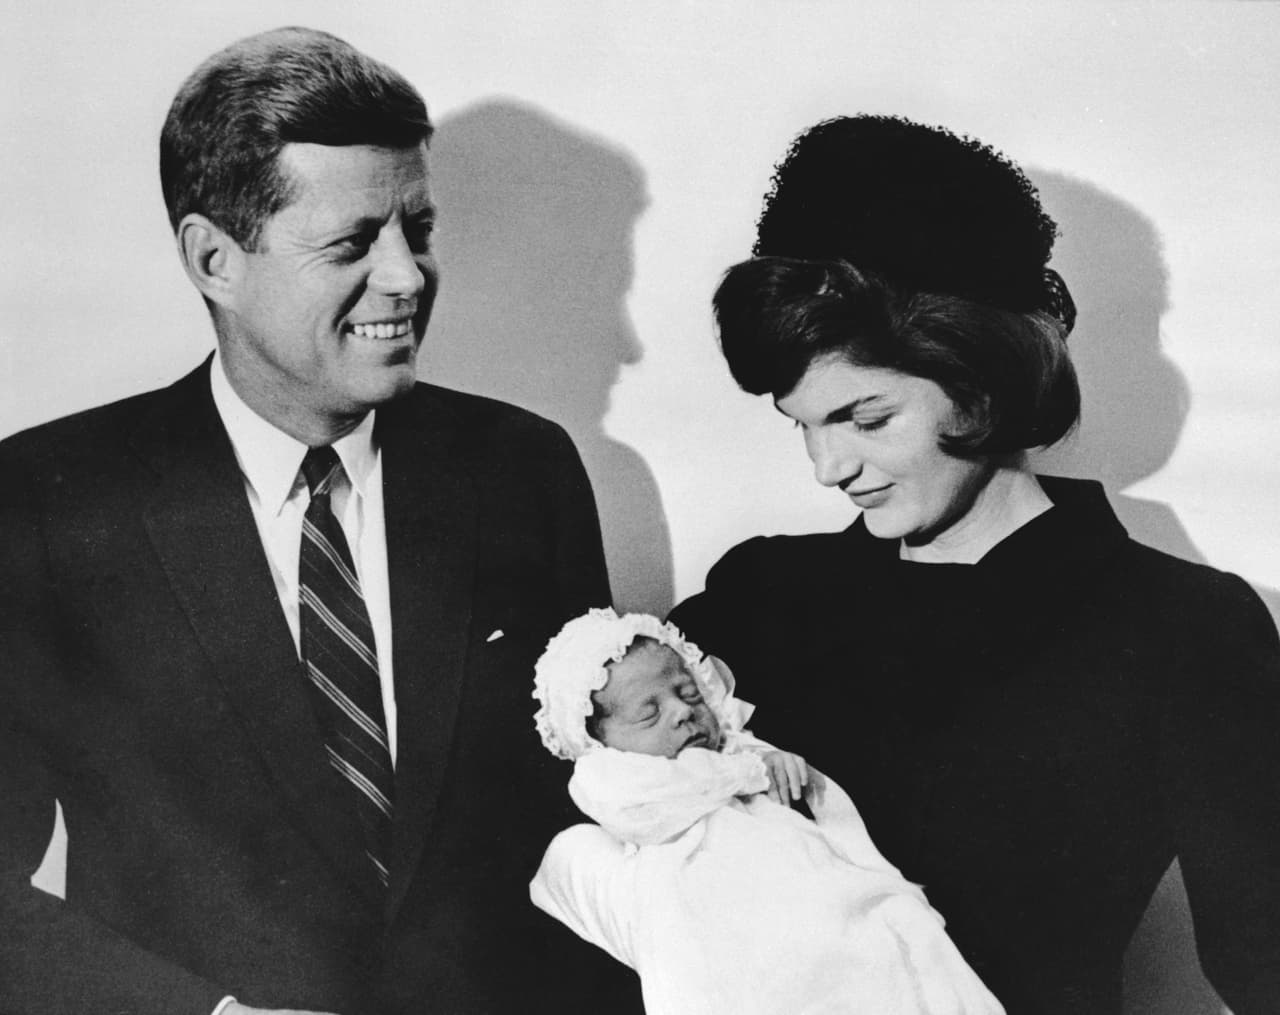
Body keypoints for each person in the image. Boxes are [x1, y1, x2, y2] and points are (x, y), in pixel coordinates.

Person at [0, 26, 641, 1015]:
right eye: (351, 242)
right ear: (213, 257)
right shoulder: (44, 501)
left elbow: (603, 824)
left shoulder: (521, 469)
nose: (406, 277)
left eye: (414, 230)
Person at [668, 114, 1280, 1014]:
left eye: (866, 419)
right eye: (803, 423)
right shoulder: (756, 599)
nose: (827, 468)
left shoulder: (1184, 631)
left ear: (982, 384)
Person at [528, 608, 1006, 1015]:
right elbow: (639, 809)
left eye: (689, 693)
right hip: (720, 920)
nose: (681, 712)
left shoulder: (738, 750)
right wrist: (747, 773)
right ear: (601, 743)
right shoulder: (614, 779)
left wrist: (774, 763)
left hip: (810, 897)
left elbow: (815, 809)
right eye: (648, 714)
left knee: (872, 948)